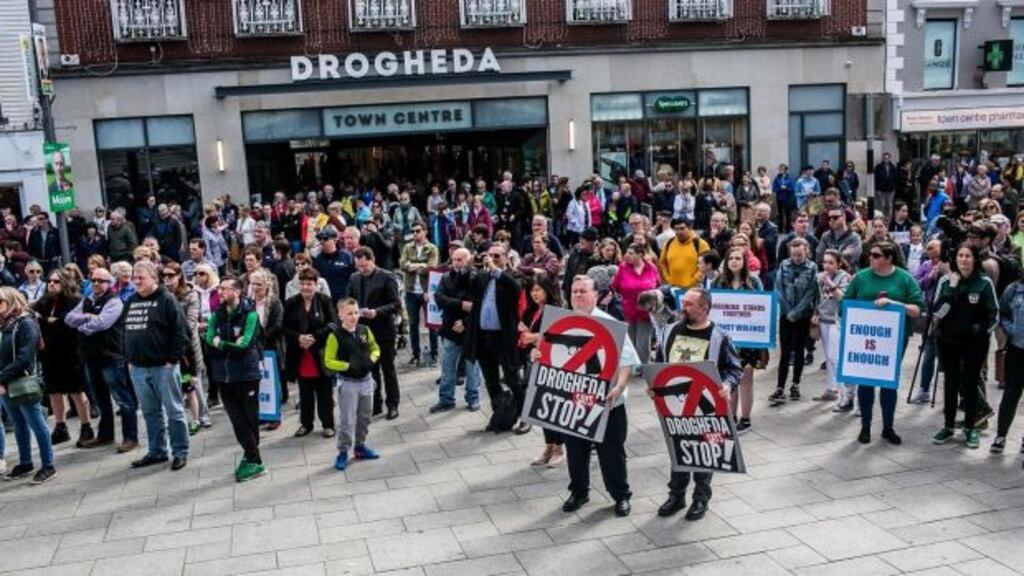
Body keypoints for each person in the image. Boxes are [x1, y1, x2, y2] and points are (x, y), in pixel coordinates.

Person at [652, 287, 742, 520]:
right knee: (679, 450)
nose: (684, 307)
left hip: (706, 406)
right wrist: (654, 385)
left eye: (690, 304)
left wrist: (728, 385)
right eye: (684, 303)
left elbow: (734, 369)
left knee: (704, 453)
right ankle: (676, 496)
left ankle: (701, 499)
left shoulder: (719, 337)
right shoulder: (669, 331)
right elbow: (659, 363)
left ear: (705, 308)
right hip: (675, 405)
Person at [557, 275, 639, 517]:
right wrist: (537, 357)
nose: (578, 296)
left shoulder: (610, 323)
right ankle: (579, 492)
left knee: (611, 452)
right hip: (573, 400)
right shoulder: (563, 321)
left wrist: (620, 385)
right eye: (574, 292)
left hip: (607, 401)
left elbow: (627, 361)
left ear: (596, 295)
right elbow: (551, 353)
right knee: (575, 449)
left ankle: (621, 496)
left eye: (583, 291)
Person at [843, 241, 924, 445]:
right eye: (870, 254)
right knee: (866, 382)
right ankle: (865, 427)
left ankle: (888, 427)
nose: (871, 258)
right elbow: (845, 304)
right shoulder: (861, 277)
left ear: (889, 258)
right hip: (865, 337)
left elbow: (918, 309)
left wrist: (896, 305)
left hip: (894, 339)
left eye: (877, 255)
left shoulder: (904, 279)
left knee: (889, 382)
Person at [931, 243, 998, 450]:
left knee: (970, 384)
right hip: (949, 342)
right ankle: (948, 425)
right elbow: (938, 312)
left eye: (968, 256)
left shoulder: (984, 283)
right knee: (950, 383)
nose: (964, 260)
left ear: (975, 259)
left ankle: (971, 427)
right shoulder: (945, 280)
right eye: (960, 255)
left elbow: (993, 314)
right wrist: (951, 289)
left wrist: (980, 330)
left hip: (974, 344)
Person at [124, 261, 190, 471]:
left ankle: (180, 451)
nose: (136, 281)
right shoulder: (131, 301)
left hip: (163, 367)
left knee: (174, 411)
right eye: (134, 278)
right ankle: (157, 450)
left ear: (154, 277)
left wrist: (172, 360)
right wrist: (129, 359)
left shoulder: (167, 300)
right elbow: (125, 331)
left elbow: (182, 333)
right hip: (138, 368)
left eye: (140, 278)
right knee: (150, 412)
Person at [65, 267, 138, 453]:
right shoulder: (88, 300)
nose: (96, 283)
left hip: (111, 357)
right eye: (93, 280)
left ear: (110, 283)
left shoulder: (115, 302)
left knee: (123, 399)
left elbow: (103, 323)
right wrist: (89, 316)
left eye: (101, 280)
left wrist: (83, 326)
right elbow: (69, 319)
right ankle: (105, 435)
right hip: (90, 357)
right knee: (101, 400)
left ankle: (131, 437)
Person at [204, 277, 267, 482]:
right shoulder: (217, 313)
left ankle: (254, 460)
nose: (220, 292)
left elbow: (244, 345)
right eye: (220, 288)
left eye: (225, 289)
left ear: (237, 292)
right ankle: (252, 458)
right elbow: (208, 339)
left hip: (246, 374)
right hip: (223, 375)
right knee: (236, 420)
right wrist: (227, 343)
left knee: (249, 419)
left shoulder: (250, 315)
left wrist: (220, 343)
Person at [465, 243, 522, 432]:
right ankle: (499, 416)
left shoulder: (513, 276)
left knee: (512, 378)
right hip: (483, 336)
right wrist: (467, 266)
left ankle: (522, 415)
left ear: (506, 258)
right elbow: (467, 289)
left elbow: (515, 288)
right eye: (489, 255)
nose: (492, 259)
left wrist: (496, 270)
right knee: (491, 380)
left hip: (503, 337)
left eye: (497, 256)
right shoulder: (482, 277)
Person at [0, 287, 55, 483]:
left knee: (36, 423)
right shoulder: (3, 323)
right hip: (5, 382)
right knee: (18, 424)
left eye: (0, 302)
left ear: (11, 301)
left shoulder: (25, 323)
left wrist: (1, 377)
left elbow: (25, 357)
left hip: (21, 380)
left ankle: (48, 465)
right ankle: (25, 462)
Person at [33, 269, 93, 447]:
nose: (51, 284)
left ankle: (86, 426)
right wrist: (45, 319)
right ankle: (61, 427)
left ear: (65, 283)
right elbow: (34, 314)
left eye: (56, 281)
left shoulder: (75, 301)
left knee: (76, 391)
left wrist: (46, 320)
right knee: (54, 391)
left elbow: (67, 323)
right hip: (49, 354)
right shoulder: (45, 301)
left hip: (71, 353)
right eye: (49, 281)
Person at [323, 298, 382, 471]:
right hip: (348, 384)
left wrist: (372, 359)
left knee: (365, 416)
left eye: (356, 312)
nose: (354, 316)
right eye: (349, 313)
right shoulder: (335, 336)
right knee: (347, 420)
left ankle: (360, 447)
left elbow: (375, 348)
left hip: (366, 382)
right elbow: (328, 361)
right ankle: (343, 451)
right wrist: (347, 366)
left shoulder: (365, 330)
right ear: (340, 315)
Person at [347, 247, 402, 419]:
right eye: (359, 267)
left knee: (388, 369)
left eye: (365, 266)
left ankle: (392, 404)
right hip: (363, 331)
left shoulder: (386, 276)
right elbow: (349, 300)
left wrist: (376, 312)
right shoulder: (354, 278)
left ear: (372, 260)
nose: (362, 270)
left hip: (383, 330)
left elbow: (395, 304)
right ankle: (376, 404)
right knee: (371, 371)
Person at [517, 274, 565, 465]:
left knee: (554, 405)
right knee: (541, 405)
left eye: (538, 290)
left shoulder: (557, 310)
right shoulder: (530, 311)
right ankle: (548, 446)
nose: (534, 294)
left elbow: (559, 336)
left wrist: (534, 337)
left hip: (554, 364)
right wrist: (530, 339)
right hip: (535, 361)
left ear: (547, 289)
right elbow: (523, 336)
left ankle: (559, 448)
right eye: (532, 291)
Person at [283, 268, 337, 437]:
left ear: (316, 284)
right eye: (303, 284)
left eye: (309, 284)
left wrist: (313, 337)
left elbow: (333, 325)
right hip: (300, 355)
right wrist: (299, 338)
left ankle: (328, 424)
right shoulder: (291, 303)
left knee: (325, 393)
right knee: (304, 393)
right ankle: (306, 424)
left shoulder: (325, 300)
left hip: (320, 354)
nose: (305, 287)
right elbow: (283, 328)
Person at [431, 247, 482, 413]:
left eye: (460, 259)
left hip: (470, 329)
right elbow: (440, 299)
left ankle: (473, 398)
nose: (456, 263)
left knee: (472, 368)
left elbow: (479, 305)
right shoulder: (446, 277)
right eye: (454, 259)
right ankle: (446, 399)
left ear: (468, 260)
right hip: (450, 327)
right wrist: (460, 304)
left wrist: (465, 322)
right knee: (447, 367)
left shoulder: (477, 277)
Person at [163, 262, 211, 435]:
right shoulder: (162, 294)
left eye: (171, 276)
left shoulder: (191, 295)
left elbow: (191, 322)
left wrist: (172, 330)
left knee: (194, 380)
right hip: (169, 346)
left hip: (189, 345)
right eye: (165, 276)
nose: (167, 279)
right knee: (178, 383)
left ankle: (203, 415)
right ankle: (181, 416)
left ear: (179, 276)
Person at [771, 238, 818, 403]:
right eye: (794, 255)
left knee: (799, 351)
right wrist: (787, 311)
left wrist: (797, 312)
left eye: (799, 255)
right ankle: (779, 386)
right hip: (786, 314)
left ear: (806, 251)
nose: (796, 258)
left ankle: (795, 384)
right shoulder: (784, 265)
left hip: (803, 315)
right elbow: (778, 289)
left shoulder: (812, 267)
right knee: (785, 352)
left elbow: (811, 293)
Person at [611, 243, 661, 366]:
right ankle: (630, 366)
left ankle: (643, 367)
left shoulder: (651, 268)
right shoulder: (623, 268)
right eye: (627, 253)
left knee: (643, 343)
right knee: (630, 341)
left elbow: (657, 285)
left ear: (640, 255)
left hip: (646, 311)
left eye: (631, 253)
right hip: (628, 310)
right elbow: (615, 286)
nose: (627, 256)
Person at [813, 250, 851, 406]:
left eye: (831, 263)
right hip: (822, 319)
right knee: (828, 357)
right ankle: (831, 388)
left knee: (835, 357)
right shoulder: (818, 276)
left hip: (836, 321)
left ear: (838, 264)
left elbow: (842, 298)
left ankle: (845, 395)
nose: (826, 266)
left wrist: (829, 283)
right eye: (824, 262)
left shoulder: (844, 277)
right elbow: (816, 297)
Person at [400, 223, 439, 368]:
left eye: (418, 231)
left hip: (426, 291)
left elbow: (431, 268)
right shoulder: (407, 247)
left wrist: (414, 266)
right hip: (410, 291)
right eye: (413, 231)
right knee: (413, 324)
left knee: (431, 324)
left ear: (425, 232)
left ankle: (434, 353)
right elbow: (403, 264)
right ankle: (415, 354)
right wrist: (420, 265)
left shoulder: (432, 248)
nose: (415, 234)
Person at [993, 271, 1024, 455]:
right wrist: (1010, 329)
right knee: (1011, 394)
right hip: (1017, 350)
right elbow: (1002, 313)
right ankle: (1001, 435)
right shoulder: (1013, 289)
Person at [250, 270, 284, 430]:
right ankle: (262, 415)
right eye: (253, 284)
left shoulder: (274, 302)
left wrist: (260, 339)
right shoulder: (248, 302)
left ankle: (275, 416)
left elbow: (277, 325)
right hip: (252, 349)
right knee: (258, 383)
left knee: (272, 383)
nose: (256, 287)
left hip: (270, 347)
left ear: (267, 285)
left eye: (259, 284)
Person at [658, 217, 709, 289]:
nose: (679, 232)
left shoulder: (701, 244)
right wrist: (668, 279)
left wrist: (694, 280)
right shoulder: (668, 243)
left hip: (694, 288)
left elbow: (706, 266)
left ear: (690, 228)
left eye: (682, 228)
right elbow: (662, 263)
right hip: (672, 287)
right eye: (676, 229)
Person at [312, 225, 355, 305]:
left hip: (343, 299)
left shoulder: (347, 256)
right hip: (325, 300)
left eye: (325, 239)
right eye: (320, 239)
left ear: (335, 240)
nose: (322, 241)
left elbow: (354, 278)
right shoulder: (318, 259)